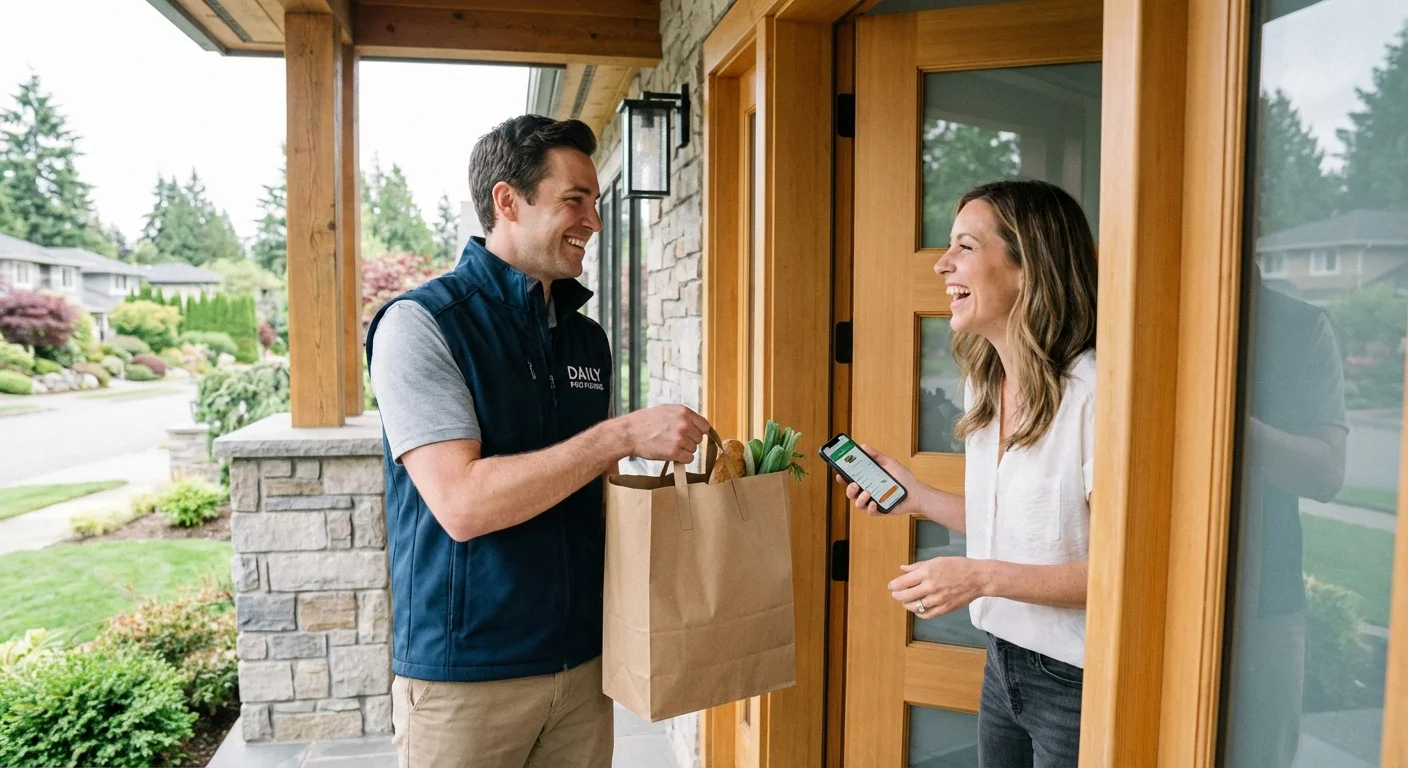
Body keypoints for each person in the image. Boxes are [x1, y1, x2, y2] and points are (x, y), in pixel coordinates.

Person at [365, 115, 710, 768]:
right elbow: (462, 505)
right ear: (507, 202)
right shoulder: (422, 326)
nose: (594, 222)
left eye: (597, 203)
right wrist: (622, 434)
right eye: (575, 200)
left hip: (582, 668)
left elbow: (589, 488)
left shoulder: (586, 339)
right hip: (466, 680)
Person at [841, 179, 1098, 767]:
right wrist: (919, 497)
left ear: (1029, 266)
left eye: (965, 246)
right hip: (1001, 662)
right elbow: (1022, 527)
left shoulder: (1094, 394)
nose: (941, 264)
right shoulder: (986, 385)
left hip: (1075, 682)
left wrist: (978, 577)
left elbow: (1118, 573)